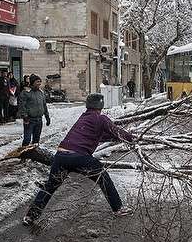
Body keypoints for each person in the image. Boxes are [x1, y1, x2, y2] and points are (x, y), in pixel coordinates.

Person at [22, 93, 133, 225]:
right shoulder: (101, 118)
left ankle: (31, 216)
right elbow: (117, 132)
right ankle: (118, 208)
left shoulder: (84, 117)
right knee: (103, 178)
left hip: (61, 156)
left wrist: (114, 138)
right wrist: (132, 138)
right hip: (79, 157)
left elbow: (96, 136)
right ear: (101, 106)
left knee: (50, 187)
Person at [18, 74, 50, 146]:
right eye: (37, 81)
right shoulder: (26, 92)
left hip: (39, 120)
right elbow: (21, 105)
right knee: (27, 139)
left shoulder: (41, 93)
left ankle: (33, 152)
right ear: (33, 82)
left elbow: (44, 105)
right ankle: (24, 154)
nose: (39, 83)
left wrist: (47, 117)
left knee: (36, 140)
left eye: (40, 81)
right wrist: (25, 116)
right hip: (29, 120)